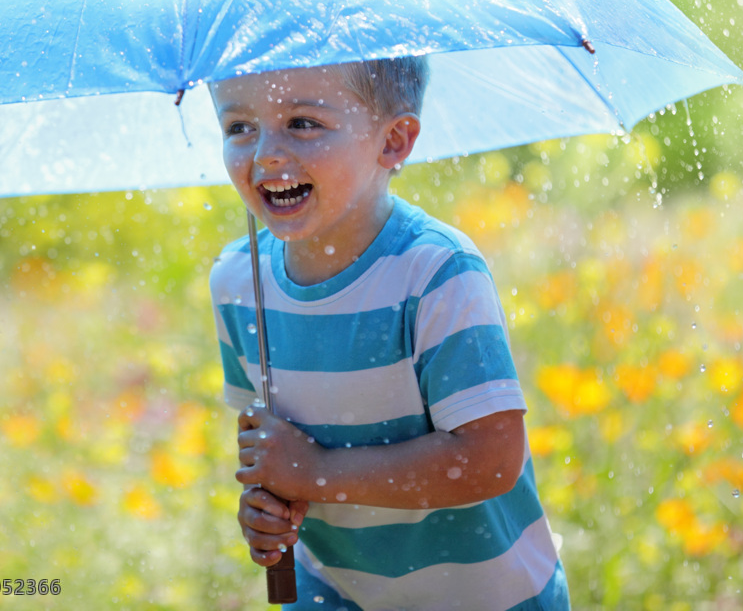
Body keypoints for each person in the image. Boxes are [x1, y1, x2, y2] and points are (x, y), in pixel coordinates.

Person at [207, 57, 570, 610]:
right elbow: (270, 445)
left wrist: (319, 473)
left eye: (303, 122)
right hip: (332, 591)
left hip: (482, 596)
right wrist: (268, 502)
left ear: (394, 141)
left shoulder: (434, 273)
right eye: (239, 127)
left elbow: (491, 458)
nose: (265, 155)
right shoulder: (238, 281)